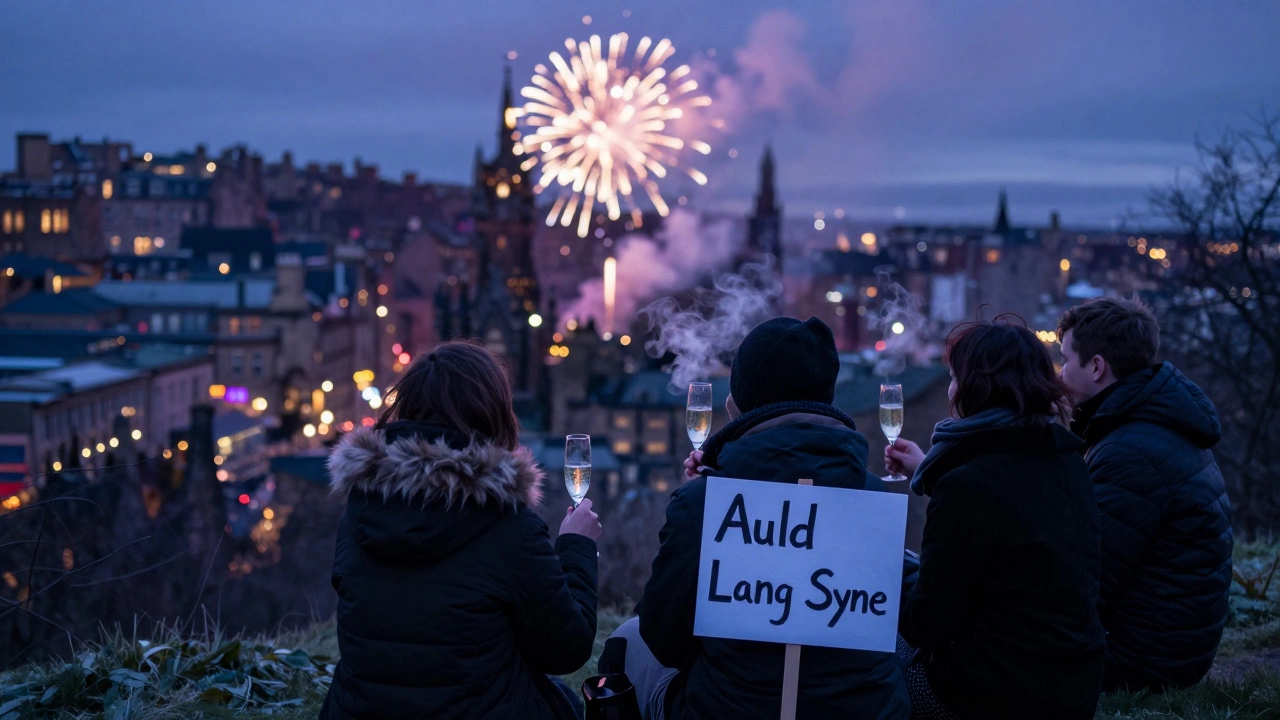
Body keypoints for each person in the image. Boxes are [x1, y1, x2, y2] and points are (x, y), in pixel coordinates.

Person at [616, 317, 910, 720]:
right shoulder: (876, 498)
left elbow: (664, 639)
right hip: (865, 711)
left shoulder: (704, 503)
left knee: (626, 643)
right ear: (828, 398)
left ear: (736, 404)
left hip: (727, 710)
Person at [320, 341, 601, 720]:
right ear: (493, 412)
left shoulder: (361, 509)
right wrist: (576, 546)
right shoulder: (508, 525)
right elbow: (567, 650)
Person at [885, 316, 1105, 720]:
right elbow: (1009, 516)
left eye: (954, 377)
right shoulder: (1066, 459)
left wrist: (886, 563)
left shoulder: (968, 487)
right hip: (1073, 690)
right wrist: (930, 472)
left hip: (996, 699)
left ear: (974, 388)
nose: (950, 390)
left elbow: (926, 625)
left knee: (878, 649)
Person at [1057, 296, 1232, 691]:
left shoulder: (1131, 451)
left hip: (1141, 661)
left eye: (1066, 360)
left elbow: (1086, 581)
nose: (1060, 373)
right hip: (1169, 646)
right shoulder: (1149, 421)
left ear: (1097, 366)